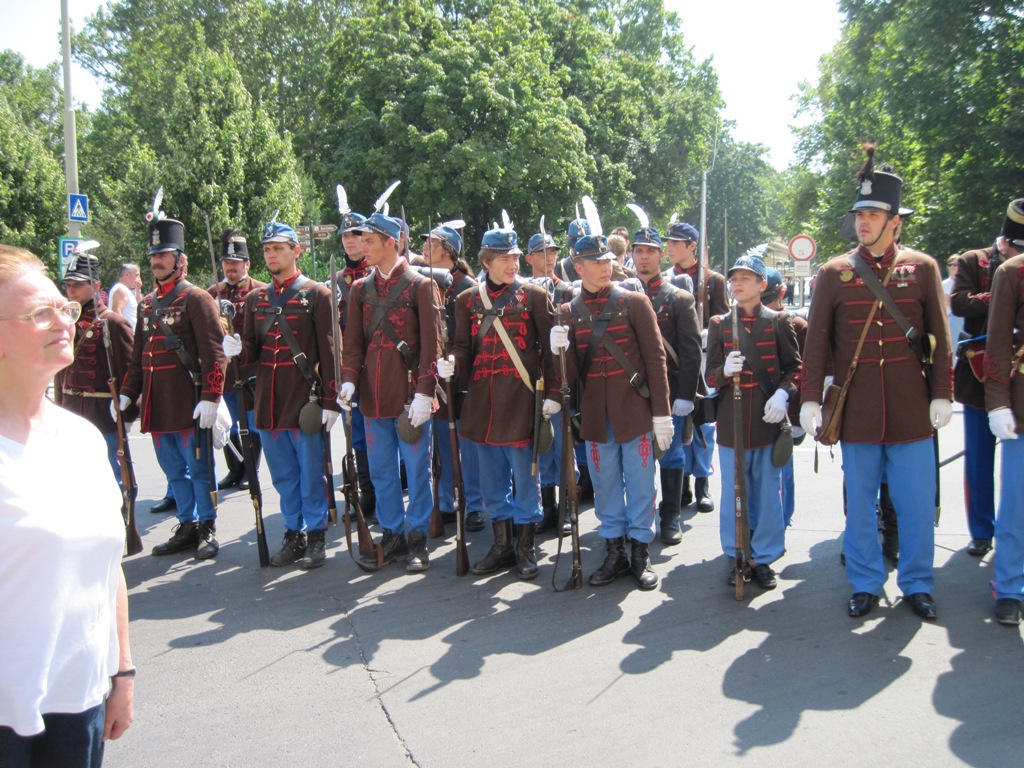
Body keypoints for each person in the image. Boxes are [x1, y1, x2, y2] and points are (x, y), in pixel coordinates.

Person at [800, 146, 953, 620]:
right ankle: (865, 581)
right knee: (861, 506)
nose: (862, 222)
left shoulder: (922, 268)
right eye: (859, 214)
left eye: (872, 214)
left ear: (895, 222)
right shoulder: (834, 272)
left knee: (915, 506)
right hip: (859, 411)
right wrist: (809, 400)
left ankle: (917, 582)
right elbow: (817, 345)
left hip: (911, 409)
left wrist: (943, 393)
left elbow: (940, 339)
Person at [0, 244, 134, 764]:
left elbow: (109, 568)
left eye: (64, 307)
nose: (63, 320)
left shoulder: (81, 438)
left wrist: (122, 670)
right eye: (40, 313)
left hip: (78, 702)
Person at [550, 231, 673, 590]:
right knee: (604, 486)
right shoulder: (567, 312)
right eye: (596, 262)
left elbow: (656, 360)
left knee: (639, 484)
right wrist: (561, 349)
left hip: (634, 411)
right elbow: (570, 377)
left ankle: (639, 551)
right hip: (595, 416)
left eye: (607, 260)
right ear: (578, 266)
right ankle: (614, 549)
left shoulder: (634, 303)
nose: (606, 267)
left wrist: (662, 414)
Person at [223, 217, 341, 570]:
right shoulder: (256, 299)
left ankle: (317, 534)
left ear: (296, 251)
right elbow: (251, 349)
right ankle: (294, 532)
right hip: (268, 401)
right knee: (283, 476)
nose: (271, 255)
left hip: (304, 398)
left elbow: (331, 350)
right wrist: (235, 348)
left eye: (278, 248)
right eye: (267, 249)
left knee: (310, 473)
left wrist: (332, 401)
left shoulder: (315, 294)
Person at [441, 221, 556, 580]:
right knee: (491, 481)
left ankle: (525, 546)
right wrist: (451, 363)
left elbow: (551, 353)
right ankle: (502, 544)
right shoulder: (466, 300)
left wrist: (552, 395)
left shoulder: (535, 296)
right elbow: (462, 347)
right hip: (482, 404)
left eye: (515, 257)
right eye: (504, 258)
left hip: (522, 401)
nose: (512, 264)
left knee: (526, 479)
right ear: (486, 261)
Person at [117, 214, 229, 560]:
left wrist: (212, 396)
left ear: (180, 260)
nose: (156, 261)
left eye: (164, 255)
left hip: (187, 400)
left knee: (198, 469)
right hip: (157, 403)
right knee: (172, 471)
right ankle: (187, 523)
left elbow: (215, 353)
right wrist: (127, 392)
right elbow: (138, 357)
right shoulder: (148, 303)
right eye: (153, 256)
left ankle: (207, 525)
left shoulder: (196, 298)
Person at [340, 213, 442, 572]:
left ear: (392, 243)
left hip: (409, 396)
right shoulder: (359, 289)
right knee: (382, 470)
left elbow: (432, 347)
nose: (361, 247)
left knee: (417, 471)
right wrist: (349, 378)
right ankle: (393, 534)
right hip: (372, 395)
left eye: (369, 241)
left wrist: (425, 393)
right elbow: (351, 343)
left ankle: (417, 538)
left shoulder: (421, 285)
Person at [706, 255, 801, 590]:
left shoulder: (778, 321)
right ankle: (736, 555)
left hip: (766, 421)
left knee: (766, 495)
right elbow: (709, 377)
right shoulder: (719, 323)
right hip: (731, 425)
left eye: (746, 278)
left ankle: (764, 558)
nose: (737, 284)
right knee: (735, 496)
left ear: (762, 285)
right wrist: (723, 372)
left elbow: (795, 368)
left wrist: (783, 395)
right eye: (734, 278)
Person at [950, 199, 1024, 557]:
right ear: (1005, 240)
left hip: (1020, 378)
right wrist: (1003, 293)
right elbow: (959, 303)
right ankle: (981, 529)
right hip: (980, 372)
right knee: (979, 458)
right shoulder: (972, 260)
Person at [623, 218, 701, 545]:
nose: (643, 258)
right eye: (638, 251)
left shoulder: (678, 298)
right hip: (632, 392)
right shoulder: (620, 296)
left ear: (660, 256)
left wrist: (686, 395)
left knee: (670, 455)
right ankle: (640, 518)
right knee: (636, 460)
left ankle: (670, 515)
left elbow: (691, 350)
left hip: (669, 391)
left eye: (650, 251)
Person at [421, 222, 485, 533]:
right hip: (435, 373)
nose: (423, 248)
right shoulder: (423, 282)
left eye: (430, 243)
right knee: (442, 446)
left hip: (465, 374)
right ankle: (445, 503)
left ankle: (474, 504)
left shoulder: (467, 287)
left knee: (467, 444)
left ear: (448, 250)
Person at [664, 221, 728, 514]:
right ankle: (683, 484)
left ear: (693, 246)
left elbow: (723, 322)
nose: (670, 248)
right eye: (669, 243)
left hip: (703, 358)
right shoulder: (665, 279)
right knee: (679, 424)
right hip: (677, 361)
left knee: (703, 424)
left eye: (677, 243)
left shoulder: (712, 280)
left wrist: (710, 335)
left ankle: (702, 482)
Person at [54, 253, 135, 484]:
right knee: (77, 478)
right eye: (68, 284)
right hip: (70, 412)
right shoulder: (65, 321)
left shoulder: (112, 323)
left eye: (78, 284)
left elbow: (128, 371)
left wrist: (125, 413)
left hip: (102, 414)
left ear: (96, 285)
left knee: (113, 478)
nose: (71, 289)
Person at [524, 228, 576, 535]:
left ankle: (569, 507)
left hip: (561, 376)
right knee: (541, 446)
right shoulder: (522, 290)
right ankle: (548, 507)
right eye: (544, 253)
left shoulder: (568, 292)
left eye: (554, 252)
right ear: (529, 258)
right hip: (533, 378)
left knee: (564, 448)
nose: (551, 257)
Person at [984, 245, 1024, 625]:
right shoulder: (1013, 272)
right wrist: (997, 402)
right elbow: (996, 342)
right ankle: (1011, 586)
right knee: (1016, 505)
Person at [208, 228, 266, 492]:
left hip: (252, 371)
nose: (231, 268)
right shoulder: (212, 294)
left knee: (251, 424)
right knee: (229, 424)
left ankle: (250, 469)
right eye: (227, 263)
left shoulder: (260, 292)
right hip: (225, 374)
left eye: (236, 263)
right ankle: (235, 469)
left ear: (247, 264)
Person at [760, 267, 807, 528]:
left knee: (781, 464)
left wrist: (800, 414)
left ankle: (781, 518)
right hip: (755, 404)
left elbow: (801, 370)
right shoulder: (740, 320)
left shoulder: (795, 325)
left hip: (786, 409)